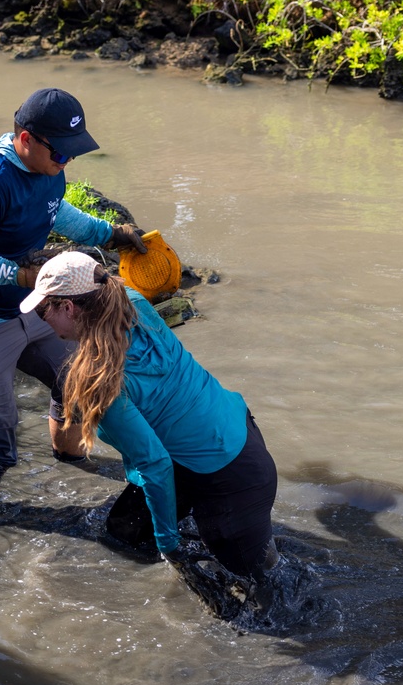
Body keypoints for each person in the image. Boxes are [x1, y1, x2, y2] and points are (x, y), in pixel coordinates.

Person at [0, 89, 148, 517]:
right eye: (61, 152)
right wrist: (22, 275)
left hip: (27, 305)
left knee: (80, 377)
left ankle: (73, 468)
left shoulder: (48, 166)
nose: (68, 161)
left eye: (73, 152)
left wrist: (108, 233)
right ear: (26, 139)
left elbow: (53, 209)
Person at [21, 252, 279, 599]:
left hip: (230, 479)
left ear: (69, 308)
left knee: (260, 600)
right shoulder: (132, 301)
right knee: (125, 531)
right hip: (235, 431)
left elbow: (154, 463)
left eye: (43, 311)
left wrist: (169, 546)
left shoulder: (99, 379)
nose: (42, 320)